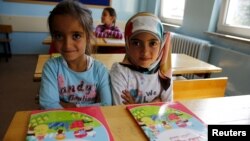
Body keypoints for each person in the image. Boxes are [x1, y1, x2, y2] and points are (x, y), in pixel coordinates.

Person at [39, 0, 112, 109]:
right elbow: (49, 106)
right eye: (59, 36)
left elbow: (106, 106)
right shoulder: (51, 68)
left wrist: (71, 106)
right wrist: (93, 105)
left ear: (87, 37)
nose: (67, 45)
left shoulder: (99, 69)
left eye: (76, 36)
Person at [110, 12, 173, 105]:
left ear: (161, 45)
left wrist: (133, 105)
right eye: (136, 43)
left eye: (152, 43)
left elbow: (167, 108)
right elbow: (120, 112)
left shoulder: (164, 74)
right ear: (127, 44)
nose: (145, 52)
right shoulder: (120, 72)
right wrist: (155, 103)